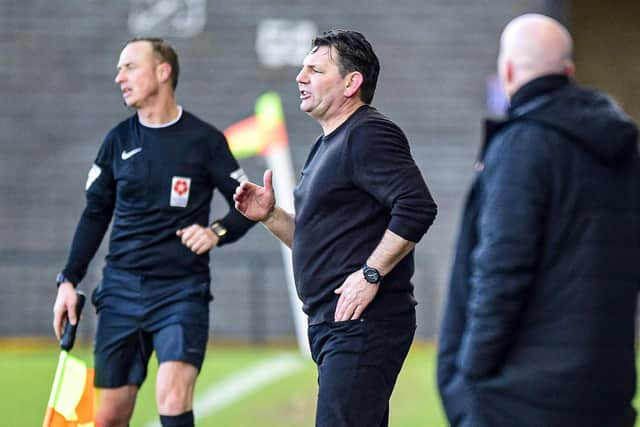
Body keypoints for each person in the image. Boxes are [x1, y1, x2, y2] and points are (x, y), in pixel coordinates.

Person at [437, 13, 640, 427]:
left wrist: (470, 372)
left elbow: (501, 270)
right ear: (569, 72)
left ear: (507, 71)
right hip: (605, 391)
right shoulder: (624, 152)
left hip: (520, 399)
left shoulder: (523, 143)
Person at [234, 29, 437, 427]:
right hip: (335, 325)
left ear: (351, 82)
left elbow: (416, 206)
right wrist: (271, 215)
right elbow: (317, 243)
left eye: (315, 69)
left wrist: (371, 273)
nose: (300, 76)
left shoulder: (368, 133)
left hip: (363, 324)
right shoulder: (326, 143)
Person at [52, 37, 255, 427]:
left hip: (181, 290)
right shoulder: (117, 141)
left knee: (173, 397)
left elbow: (250, 205)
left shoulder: (205, 141)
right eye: (118, 69)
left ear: (163, 72)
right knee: (109, 417)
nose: (119, 78)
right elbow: (95, 215)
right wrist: (68, 280)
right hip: (121, 290)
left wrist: (216, 231)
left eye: (129, 67)